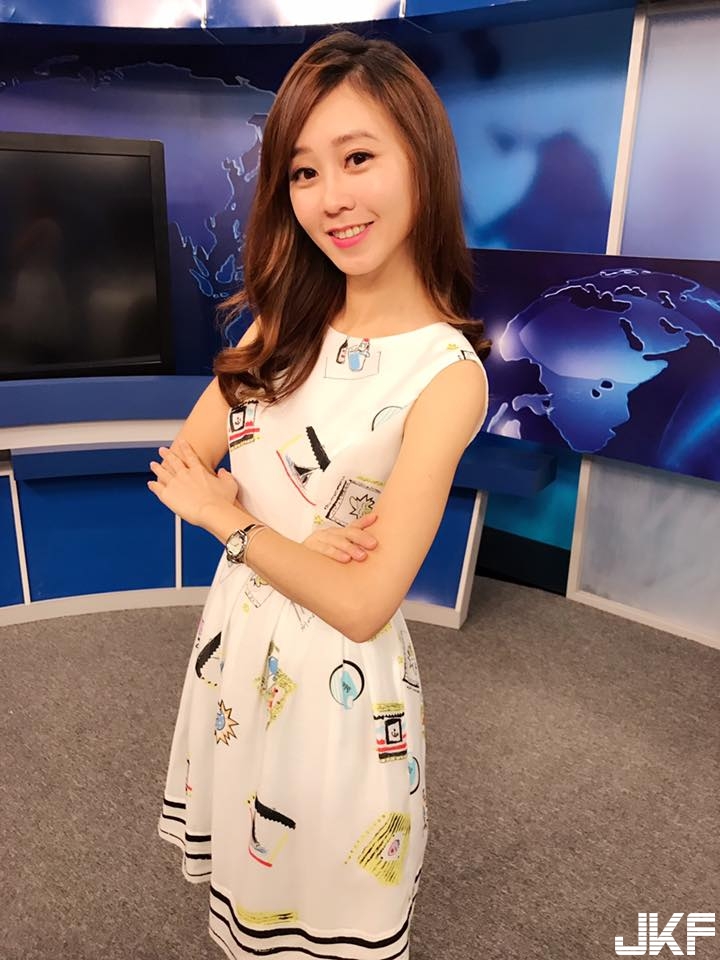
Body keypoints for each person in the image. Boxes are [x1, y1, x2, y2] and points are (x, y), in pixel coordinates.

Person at [148, 29, 491, 960]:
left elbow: (361, 601)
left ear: (422, 161)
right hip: (238, 644)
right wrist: (282, 536)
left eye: (358, 158)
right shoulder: (279, 327)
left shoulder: (445, 374)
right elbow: (184, 462)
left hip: (337, 692)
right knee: (249, 895)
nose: (330, 197)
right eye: (303, 172)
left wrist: (232, 518)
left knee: (328, 909)